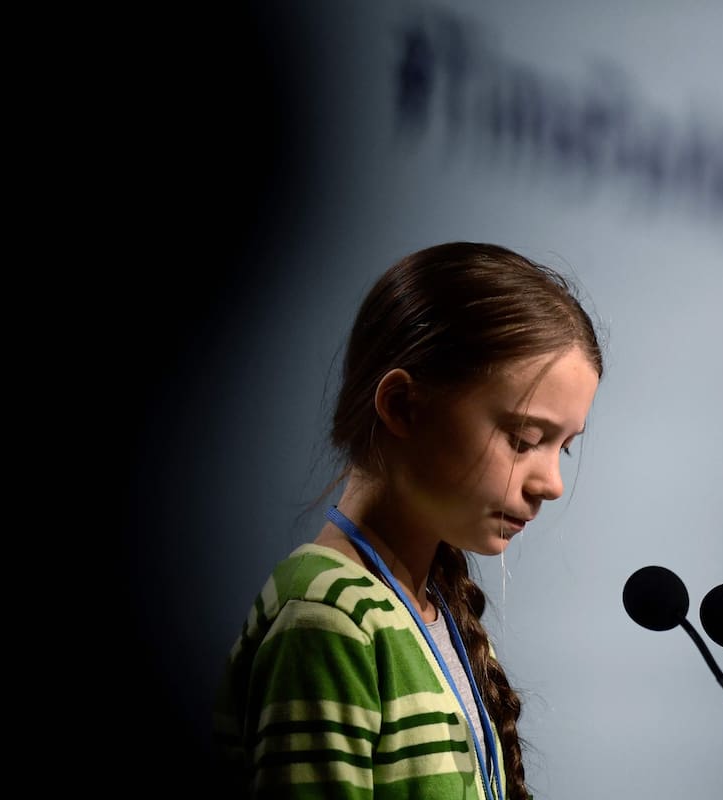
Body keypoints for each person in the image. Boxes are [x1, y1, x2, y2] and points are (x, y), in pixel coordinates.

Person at [213, 242, 604, 799]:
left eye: (562, 449)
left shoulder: (436, 608)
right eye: (524, 440)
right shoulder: (329, 620)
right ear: (401, 406)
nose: (552, 484)